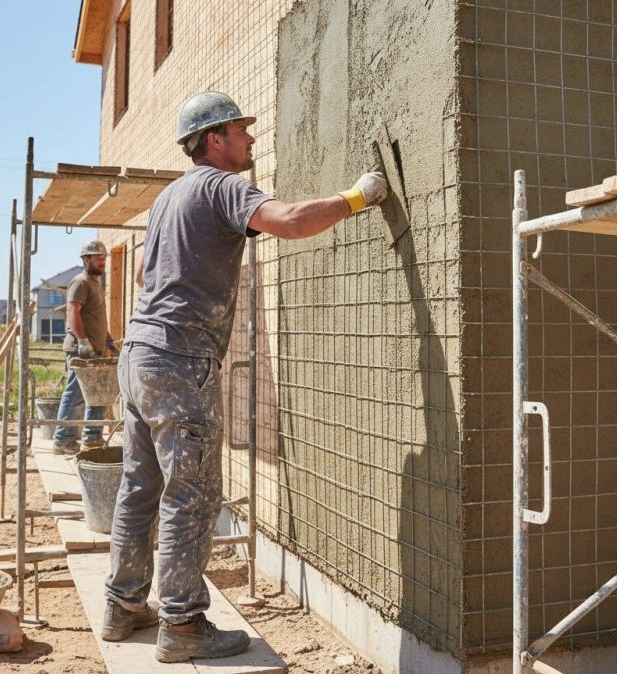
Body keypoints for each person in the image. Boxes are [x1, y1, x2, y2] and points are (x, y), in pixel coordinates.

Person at [102, 91, 388, 662]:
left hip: (139, 354)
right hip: (180, 360)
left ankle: (123, 605)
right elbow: (289, 221)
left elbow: (141, 272)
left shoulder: (169, 198)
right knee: (193, 491)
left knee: (141, 485)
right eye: (241, 129)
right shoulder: (222, 186)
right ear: (214, 139)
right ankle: (182, 625)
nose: (251, 139)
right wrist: (359, 197)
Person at [52, 240, 118, 455]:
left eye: (104, 258)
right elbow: (73, 312)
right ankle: (62, 440)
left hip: (95, 350)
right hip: (80, 350)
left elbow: (96, 319)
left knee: (96, 393)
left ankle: (92, 439)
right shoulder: (80, 282)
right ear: (85, 259)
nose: (102, 261)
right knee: (75, 395)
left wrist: (107, 341)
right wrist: (82, 341)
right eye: (97, 257)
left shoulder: (94, 283)